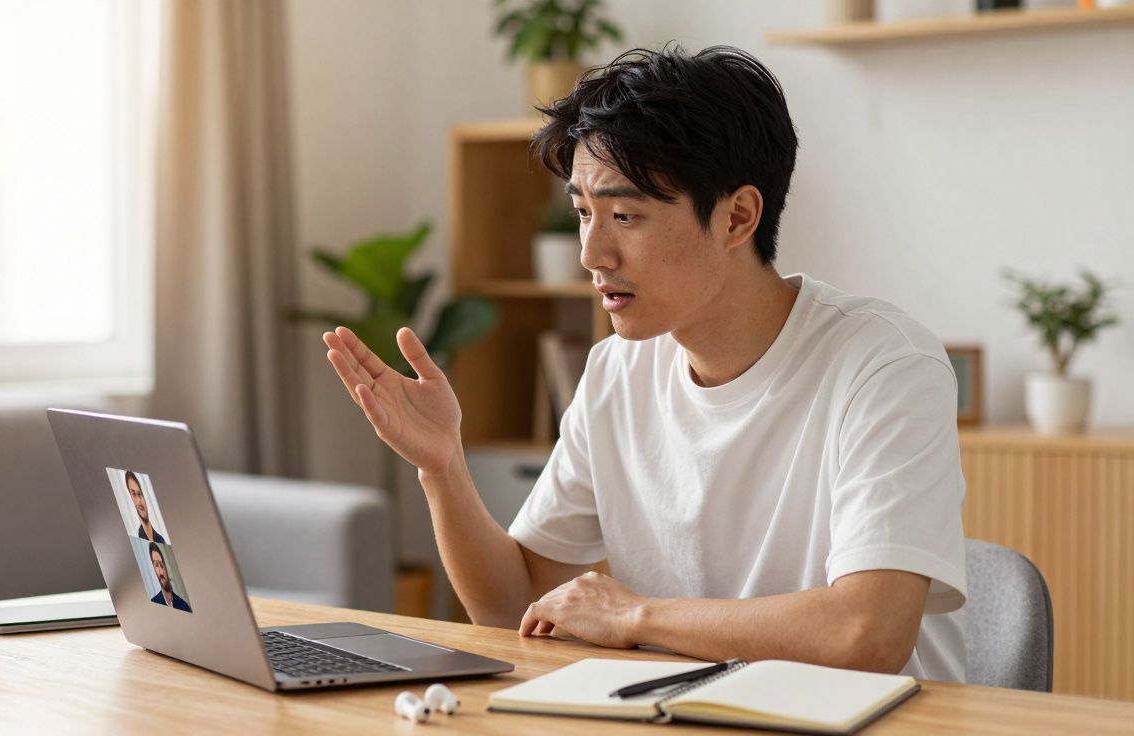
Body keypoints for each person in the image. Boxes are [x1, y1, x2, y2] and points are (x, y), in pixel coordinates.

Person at [322, 45, 966, 681]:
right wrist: (443, 467)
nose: (591, 253)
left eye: (625, 215)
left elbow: (868, 633)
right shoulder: (615, 372)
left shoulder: (884, 364)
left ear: (738, 216)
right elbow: (513, 606)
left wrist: (638, 617)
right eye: (582, 213)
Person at [147, 542, 192, 613]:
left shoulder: (184, 606)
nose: (161, 571)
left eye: (162, 565)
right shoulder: (153, 603)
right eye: (156, 565)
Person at [124, 470, 166, 543]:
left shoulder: (160, 539)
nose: (139, 500)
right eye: (133, 494)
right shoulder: (137, 537)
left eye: (140, 494)